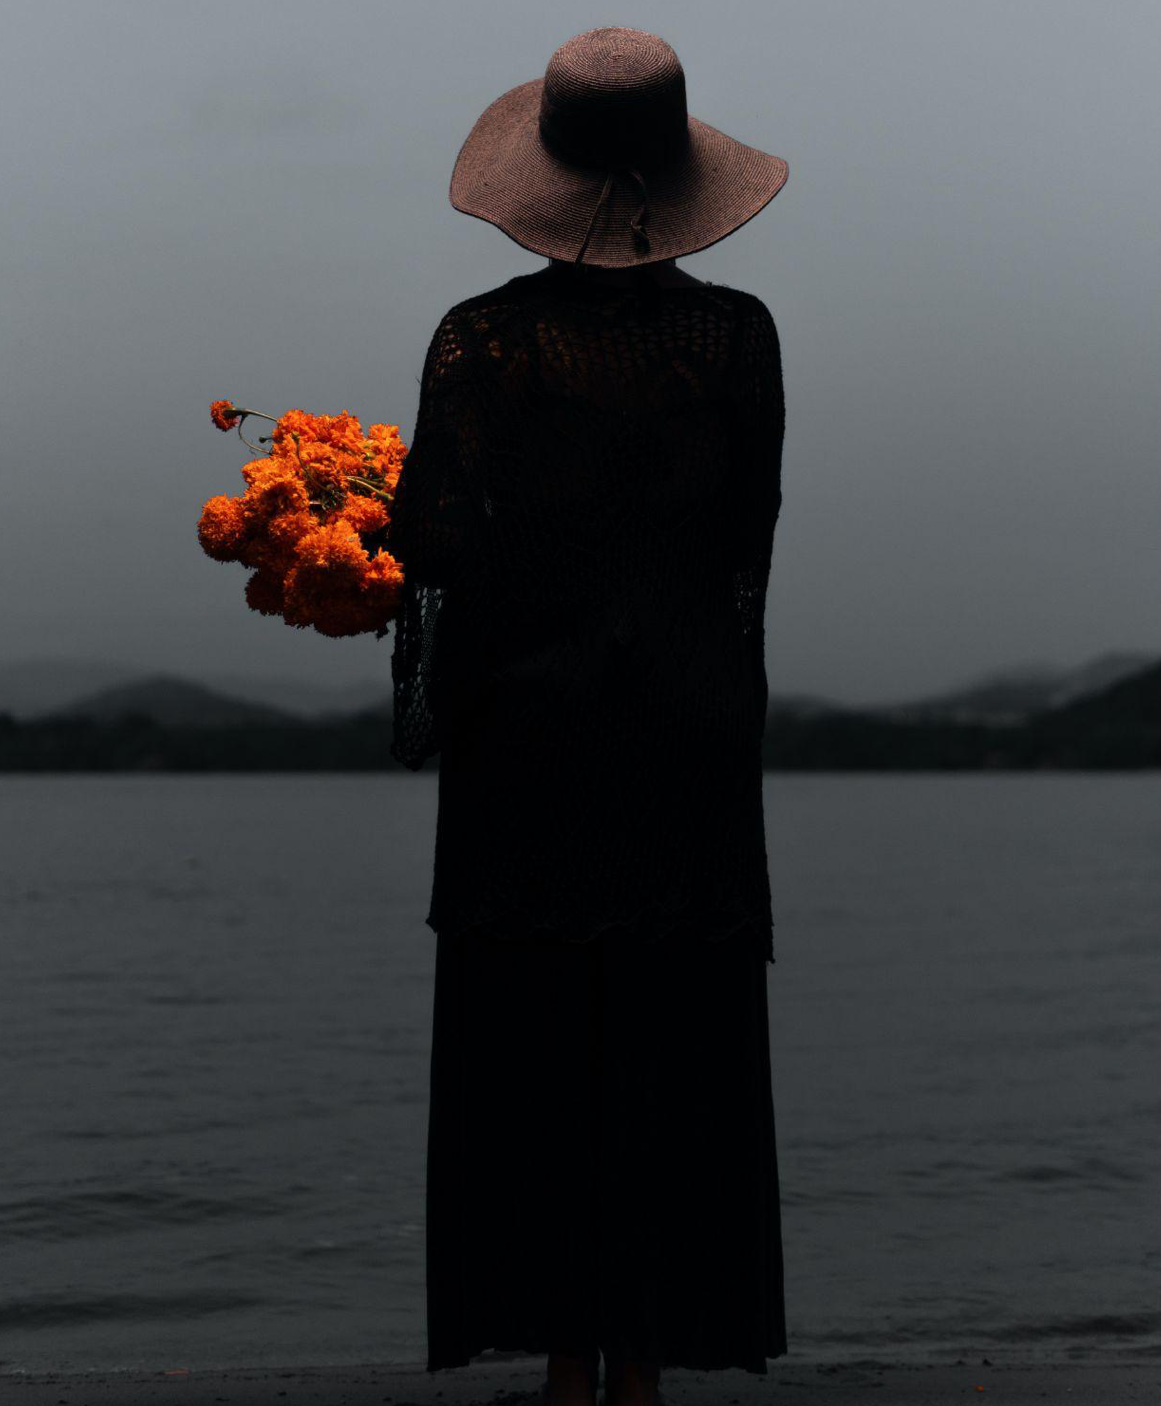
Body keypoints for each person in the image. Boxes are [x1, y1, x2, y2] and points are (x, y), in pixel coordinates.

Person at [386, 27, 790, 1406]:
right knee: (673, 1045)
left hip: (529, 748)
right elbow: (745, 556)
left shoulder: (481, 341)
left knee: (537, 1051)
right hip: (684, 742)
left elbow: (437, 553)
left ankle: (564, 1366)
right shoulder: (733, 337)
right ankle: (640, 1371)